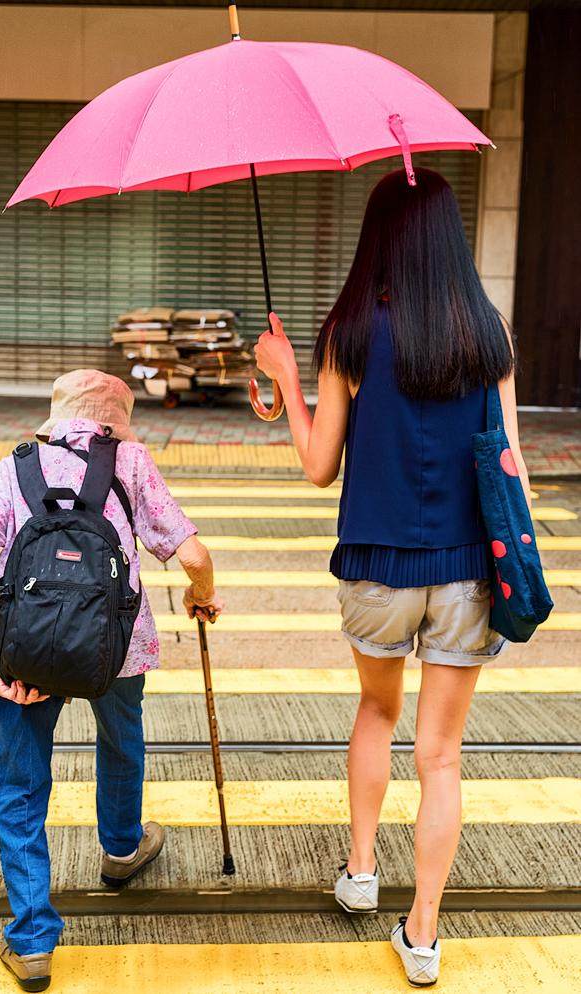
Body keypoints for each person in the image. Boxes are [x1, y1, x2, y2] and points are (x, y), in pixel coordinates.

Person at [254, 168, 529, 987]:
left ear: (377, 235)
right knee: (439, 756)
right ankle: (422, 934)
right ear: (450, 234)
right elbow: (509, 467)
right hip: (468, 570)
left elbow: (317, 465)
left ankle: (363, 869)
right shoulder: (491, 336)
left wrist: (283, 379)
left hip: (375, 563)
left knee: (376, 713)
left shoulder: (348, 331)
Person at [0, 369, 224, 992]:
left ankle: (30, 943)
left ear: (57, 416)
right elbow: (191, 554)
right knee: (120, 738)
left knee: (22, 785)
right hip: (116, 648)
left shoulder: (13, 467)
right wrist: (202, 595)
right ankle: (120, 848)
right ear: (115, 420)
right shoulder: (128, 461)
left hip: (24, 651)